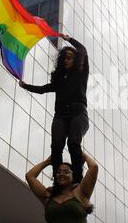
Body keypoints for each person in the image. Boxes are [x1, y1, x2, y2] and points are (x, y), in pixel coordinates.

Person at [19, 34, 89, 183]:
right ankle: (58, 179)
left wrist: (69, 39)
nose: (66, 60)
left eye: (70, 57)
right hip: (61, 115)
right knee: (57, 145)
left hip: (78, 113)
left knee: (73, 143)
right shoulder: (59, 81)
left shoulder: (81, 72)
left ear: (76, 59)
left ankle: (77, 178)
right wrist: (25, 86)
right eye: (64, 58)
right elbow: (43, 89)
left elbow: (82, 49)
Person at [25, 151, 101, 223]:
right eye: (58, 172)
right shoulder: (48, 195)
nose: (61, 174)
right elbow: (30, 176)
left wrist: (84, 156)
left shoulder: (81, 192)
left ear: (73, 176)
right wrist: (47, 162)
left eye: (66, 172)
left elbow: (94, 167)